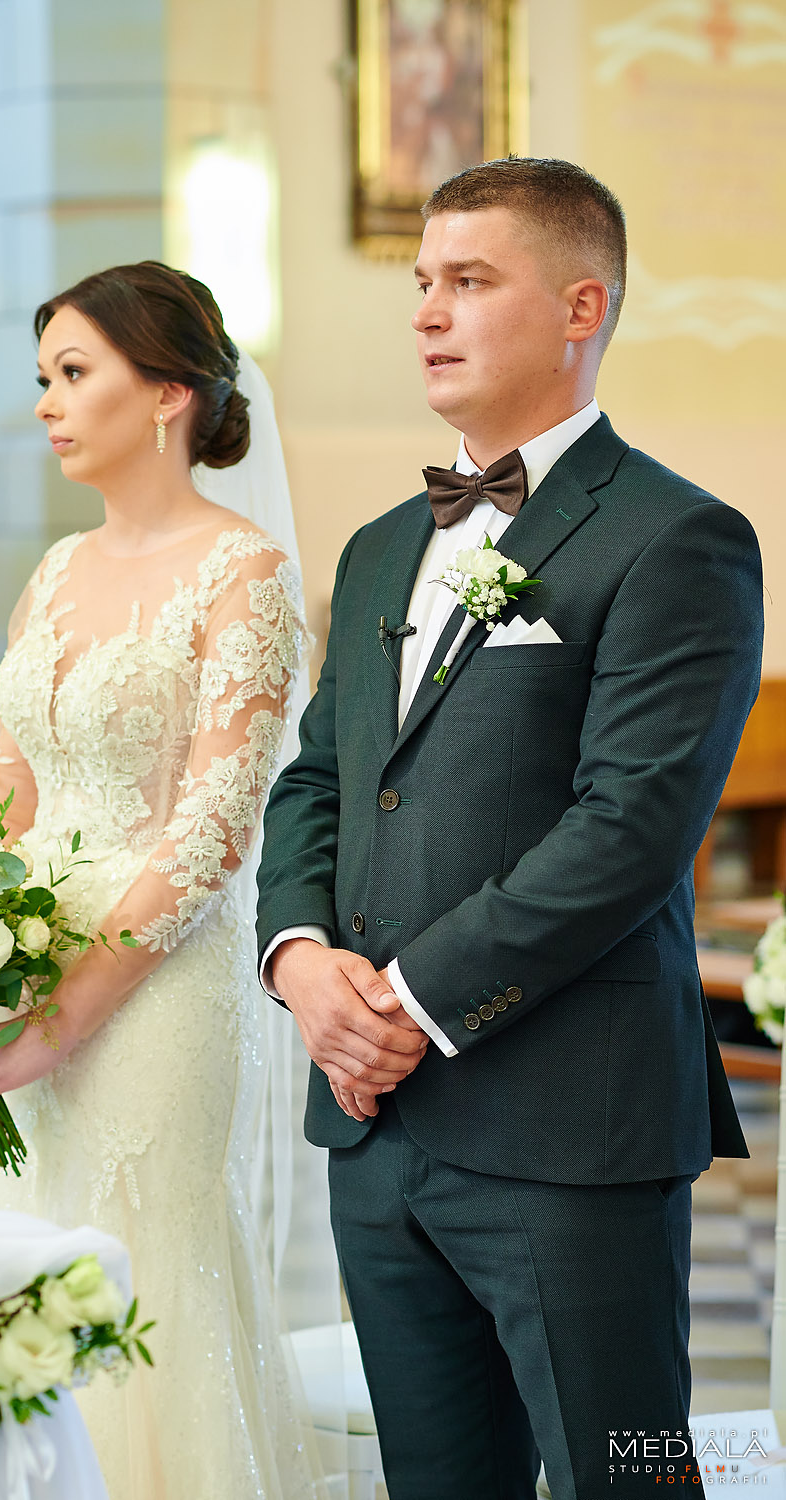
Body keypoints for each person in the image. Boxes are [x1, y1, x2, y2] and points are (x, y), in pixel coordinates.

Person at [256, 158, 763, 1500]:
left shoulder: (676, 538)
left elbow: (627, 831)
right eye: (422, 282)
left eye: (469, 282)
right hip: (374, 1131)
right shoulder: (378, 546)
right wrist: (300, 964)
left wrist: (401, 1004)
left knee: (629, 1477)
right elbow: (319, 782)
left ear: (579, 307)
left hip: (566, 1127)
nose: (426, 312)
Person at [0, 262, 323, 1500]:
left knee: (139, 1261)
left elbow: (210, 835)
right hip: (19, 961)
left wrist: (57, 1023)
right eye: (42, 376)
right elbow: (10, 784)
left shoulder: (244, 573)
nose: (46, 403)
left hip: (156, 993)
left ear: (164, 392)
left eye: (72, 373)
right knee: (21, 1247)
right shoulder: (54, 568)